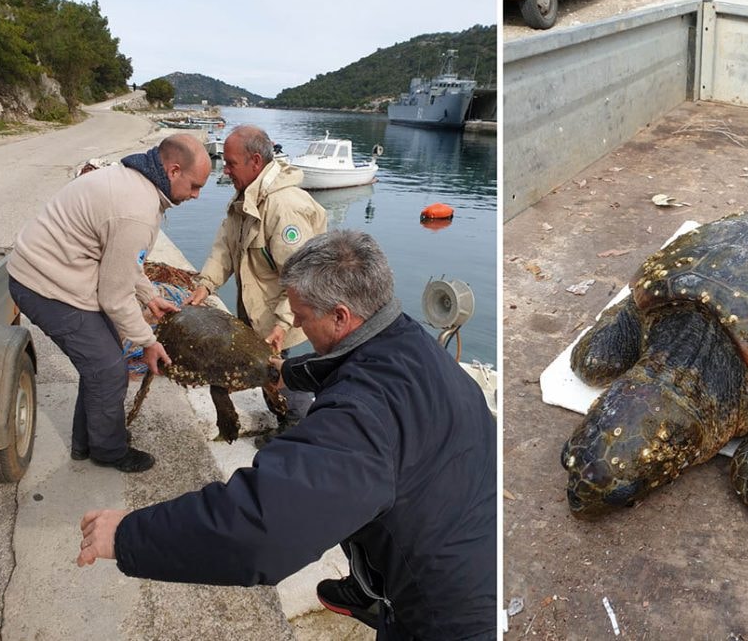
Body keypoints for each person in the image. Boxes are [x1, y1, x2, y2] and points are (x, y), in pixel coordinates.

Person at [78, 230, 498, 640]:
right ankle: (367, 586)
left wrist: (128, 536)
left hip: (445, 613)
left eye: (302, 316)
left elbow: (261, 526)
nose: (293, 322)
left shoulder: (360, 420)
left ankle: (380, 597)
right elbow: (346, 367)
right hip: (472, 539)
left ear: (340, 315)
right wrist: (286, 373)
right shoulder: (410, 343)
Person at [7, 133, 210, 472]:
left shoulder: (137, 182)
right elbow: (114, 297)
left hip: (63, 274)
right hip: (44, 283)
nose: (197, 195)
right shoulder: (137, 210)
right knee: (107, 368)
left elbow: (126, 263)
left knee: (102, 360)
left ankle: (85, 442)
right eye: (194, 186)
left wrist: (150, 297)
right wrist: (148, 342)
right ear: (174, 170)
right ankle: (108, 451)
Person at [185, 124, 326, 446]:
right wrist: (205, 285)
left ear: (255, 162)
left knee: (284, 375)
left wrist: (282, 323)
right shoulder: (245, 199)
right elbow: (224, 248)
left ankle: (298, 437)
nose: (227, 169)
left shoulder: (284, 207)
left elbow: (302, 276)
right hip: (257, 312)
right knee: (268, 374)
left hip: (286, 313)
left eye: (231, 163)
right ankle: (285, 426)